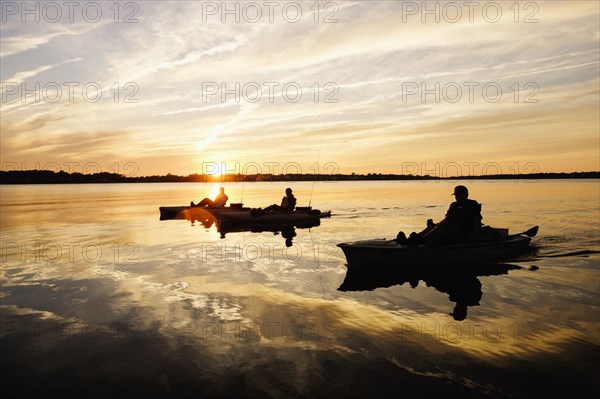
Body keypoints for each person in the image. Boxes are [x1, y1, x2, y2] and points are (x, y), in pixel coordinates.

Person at [398, 185, 482, 245]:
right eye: (456, 195)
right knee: (432, 227)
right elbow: (447, 220)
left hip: (463, 232)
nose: (457, 197)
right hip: (451, 229)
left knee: (443, 225)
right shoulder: (453, 205)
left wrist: (474, 235)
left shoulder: (472, 204)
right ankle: (411, 240)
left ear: (466, 195)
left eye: (459, 195)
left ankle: (422, 241)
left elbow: (477, 221)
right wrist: (435, 225)